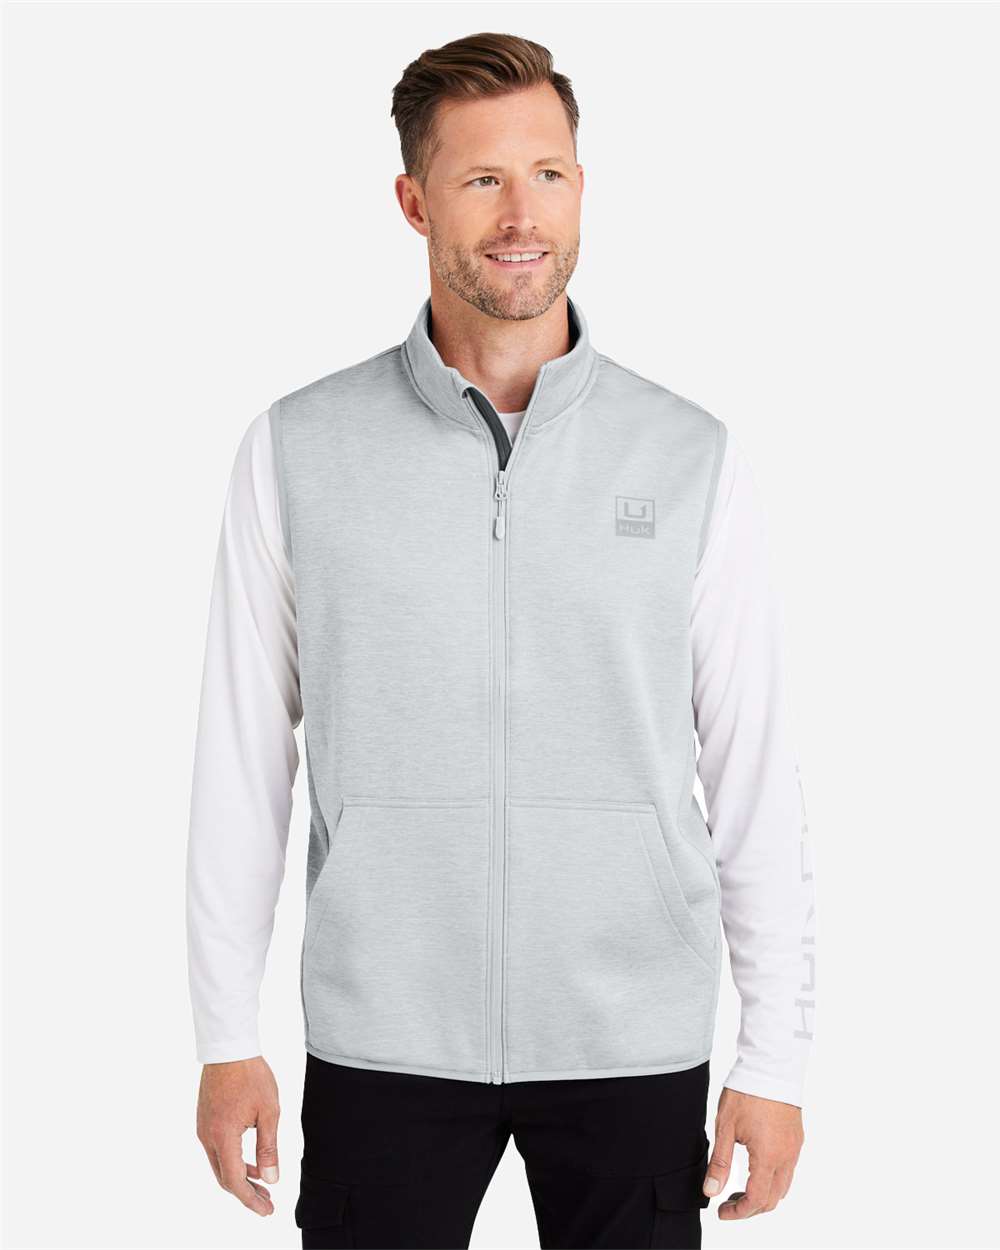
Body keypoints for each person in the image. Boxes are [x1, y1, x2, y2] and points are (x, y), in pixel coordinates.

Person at [186, 31, 816, 1250]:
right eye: (482, 179)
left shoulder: (690, 457)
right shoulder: (299, 449)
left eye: (549, 173)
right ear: (413, 200)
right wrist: (225, 1034)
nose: (522, 215)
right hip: (383, 1035)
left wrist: (774, 1057)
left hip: (631, 1034)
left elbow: (752, 771)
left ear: (582, 185)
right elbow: (240, 763)